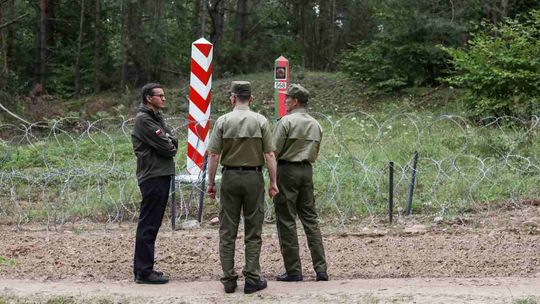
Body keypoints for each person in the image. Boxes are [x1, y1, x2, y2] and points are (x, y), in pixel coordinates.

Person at [206, 81, 279, 294]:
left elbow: (213, 155)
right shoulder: (260, 121)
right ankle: (252, 279)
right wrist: (273, 183)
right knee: (253, 231)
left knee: (227, 231)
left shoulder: (223, 121)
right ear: (251, 99)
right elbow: (270, 155)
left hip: (229, 177)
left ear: (232, 98)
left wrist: (211, 183)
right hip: (253, 178)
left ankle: (229, 280)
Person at [272, 84, 328, 282]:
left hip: (287, 170)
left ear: (295, 101)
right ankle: (321, 269)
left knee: (286, 219)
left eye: (287, 98)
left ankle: (294, 270)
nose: (285, 101)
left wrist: (271, 175)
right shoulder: (316, 124)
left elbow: (274, 151)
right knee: (310, 219)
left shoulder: (286, 122)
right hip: (306, 170)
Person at [131, 83, 178, 284]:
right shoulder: (144, 120)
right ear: (149, 98)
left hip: (160, 174)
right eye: (160, 95)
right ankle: (143, 271)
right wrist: (169, 142)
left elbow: (173, 141)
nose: (164, 99)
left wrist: (169, 141)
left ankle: (145, 269)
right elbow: (168, 147)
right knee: (148, 224)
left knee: (152, 223)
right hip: (153, 175)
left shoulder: (155, 118)